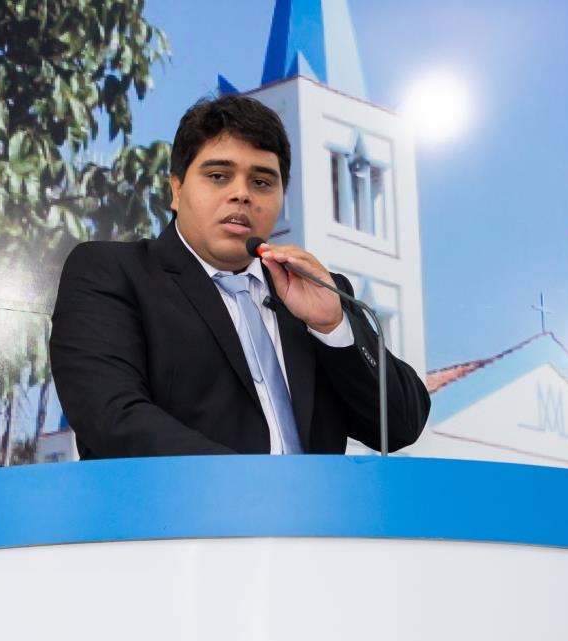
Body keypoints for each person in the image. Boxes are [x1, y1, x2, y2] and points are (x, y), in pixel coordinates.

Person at [49, 95, 429, 458]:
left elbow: (401, 425)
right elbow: (112, 415)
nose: (241, 194)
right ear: (176, 190)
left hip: (318, 507)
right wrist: (253, 485)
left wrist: (332, 326)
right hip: (183, 505)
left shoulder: (316, 292)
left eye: (261, 182)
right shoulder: (114, 273)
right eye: (218, 176)